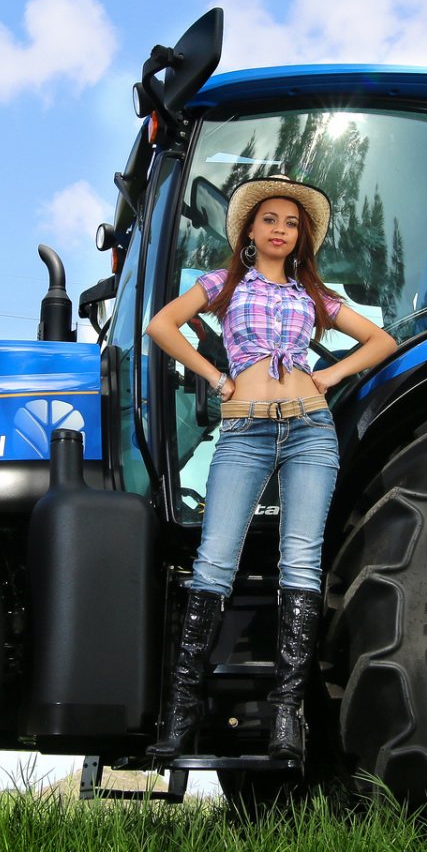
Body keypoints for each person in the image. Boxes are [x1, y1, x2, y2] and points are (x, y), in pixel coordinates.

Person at [144, 173, 397, 760]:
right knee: (215, 561)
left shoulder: (315, 295)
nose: (281, 229)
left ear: (301, 237)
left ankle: (288, 716)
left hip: (310, 429)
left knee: (302, 560)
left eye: (292, 223)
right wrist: (214, 377)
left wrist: (329, 377)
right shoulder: (223, 284)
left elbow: (379, 341)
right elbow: (161, 325)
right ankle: (182, 715)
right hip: (244, 430)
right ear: (250, 233)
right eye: (270, 220)